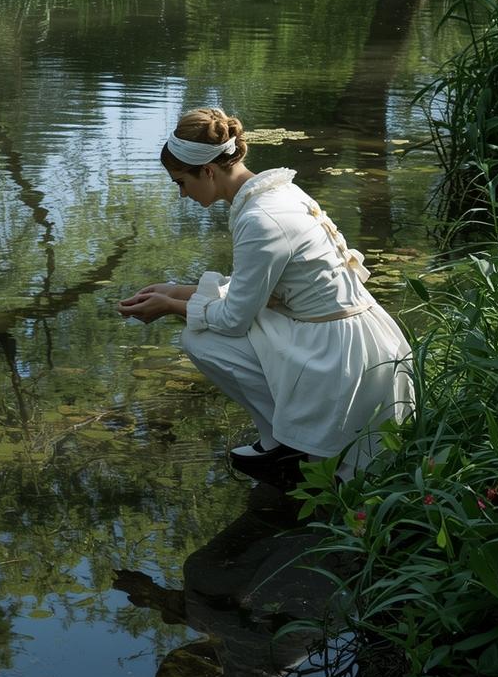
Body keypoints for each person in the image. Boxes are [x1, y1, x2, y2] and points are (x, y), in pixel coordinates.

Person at [117, 107, 413, 485]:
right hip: (346, 330)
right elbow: (256, 287)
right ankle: (285, 442)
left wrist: (170, 307)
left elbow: (233, 318)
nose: (181, 194)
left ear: (207, 171)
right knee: (220, 325)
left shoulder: (261, 219)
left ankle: (294, 443)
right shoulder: (277, 193)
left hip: (342, 350)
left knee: (200, 338)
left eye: (180, 182)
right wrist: (176, 289)